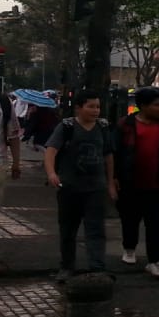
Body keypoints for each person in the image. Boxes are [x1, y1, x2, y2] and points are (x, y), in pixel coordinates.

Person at [113, 87, 159, 280]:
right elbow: (116, 151)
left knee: (155, 224)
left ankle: (154, 261)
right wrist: (114, 177)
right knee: (130, 219)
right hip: (131, 182)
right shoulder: (126, 124)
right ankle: (129, 248)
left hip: (157, 184)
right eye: (155, 105)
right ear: (143, 106)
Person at [44, 90, 115, 281]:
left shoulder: (103, 127)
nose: (95, 110)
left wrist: (110, 183)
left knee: (96, 230)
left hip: (95, 188)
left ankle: (97, 268)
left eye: (97, 106)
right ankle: (67, 267)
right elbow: (51, 151)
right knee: (68, 230)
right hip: (69, 187)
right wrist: (51, 173)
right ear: (79, 108)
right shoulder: (67, 126)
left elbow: (108, 156)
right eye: (90, 106)